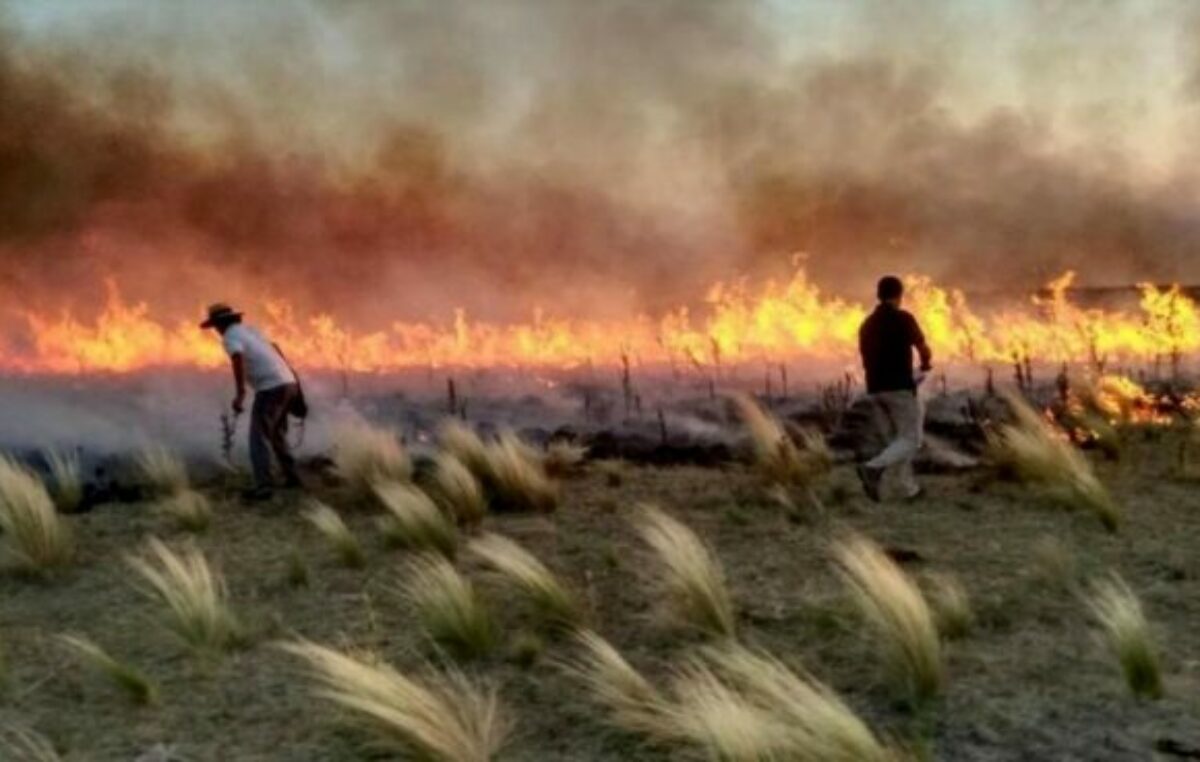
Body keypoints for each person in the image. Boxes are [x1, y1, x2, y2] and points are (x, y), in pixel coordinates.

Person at [201, 303, 303, 499]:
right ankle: (293, 477)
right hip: (288, 382)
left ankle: (264, 486)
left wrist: (240, 393)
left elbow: (237, 359)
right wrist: (293, 381)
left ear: (221, 324)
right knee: (276, 434)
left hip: (271, 388)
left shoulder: (230, 337)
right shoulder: (251, 331)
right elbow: (276, 348)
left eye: (216, 326)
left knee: (259, 437)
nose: (216, 331)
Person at [856, 276, 932, 502]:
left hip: (875, 388)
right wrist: (925, 365)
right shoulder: (904, 319)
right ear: (899, 295)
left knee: (899, 441)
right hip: (899, 387)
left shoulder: (867, 324)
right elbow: (923, 348)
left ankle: (909, 490)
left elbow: (865, 358)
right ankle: (872, 469)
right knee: (911, 439)